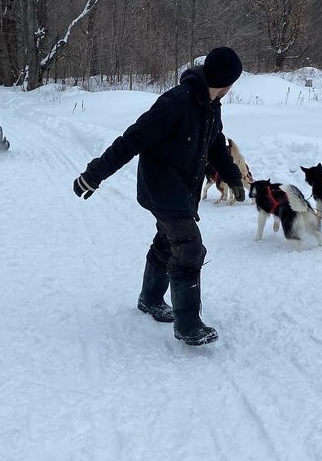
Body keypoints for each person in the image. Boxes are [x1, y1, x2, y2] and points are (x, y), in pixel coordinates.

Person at [72, 46, 246, 346]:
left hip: (184, 189)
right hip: (162, 188)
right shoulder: (175, 103)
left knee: (167, 242)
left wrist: (233, 178)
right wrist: (94, 174)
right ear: (226, 82)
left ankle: (150, 299)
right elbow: (132, 139)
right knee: (189, 247)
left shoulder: (211, 104)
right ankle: (188, 324)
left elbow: (215, 143)